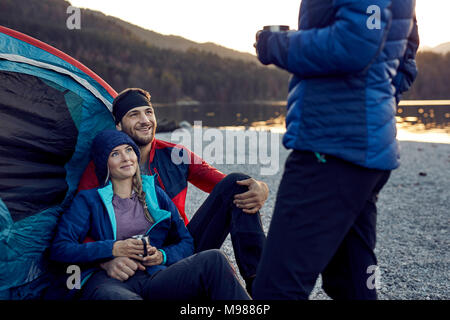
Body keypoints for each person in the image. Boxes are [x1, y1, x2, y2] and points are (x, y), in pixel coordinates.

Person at [252, 0, 419, 300]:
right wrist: (376, 108)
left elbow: (354, 44)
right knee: (352, 282)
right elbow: (405, 59)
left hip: (330, 149)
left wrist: (275, 44)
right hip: (361, 150)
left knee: (276, 288)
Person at [77, 88, 268, 295]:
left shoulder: (176, 155)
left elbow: (226, 185)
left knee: (237, 183)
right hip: (138, 263)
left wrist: (261, 187)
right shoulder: (101, 166)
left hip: (182, 249)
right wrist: (106, 259)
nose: (144, 120)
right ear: (119, 125)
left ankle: (260, 285)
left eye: (148, 112)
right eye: (134, 114)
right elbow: (80, 226)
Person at [49, 129, 250, 300]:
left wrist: (162, 255)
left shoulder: (154, 192)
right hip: (110, 281)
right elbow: (60, 249)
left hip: (155, 275)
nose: (126, 157)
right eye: (115, 154)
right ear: (105, 163)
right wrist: (113, 249)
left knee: (214, 259)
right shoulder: (89, 200)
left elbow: (186, 241)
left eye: (129, 150)